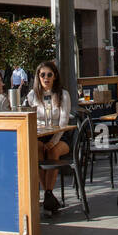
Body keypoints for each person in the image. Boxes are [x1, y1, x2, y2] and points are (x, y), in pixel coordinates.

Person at [27, 61, 73, 214]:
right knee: (37, 151)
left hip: (60, 135)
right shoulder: (32, 95)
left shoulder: (63, 94)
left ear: (55, 76)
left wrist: (54, 141)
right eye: (42, 75)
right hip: (41, 135)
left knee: (52, 153)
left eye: (49, 75)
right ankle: (49, 195)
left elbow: (64, 121)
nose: (45, 78)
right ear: (38, 77)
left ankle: (47, 194)